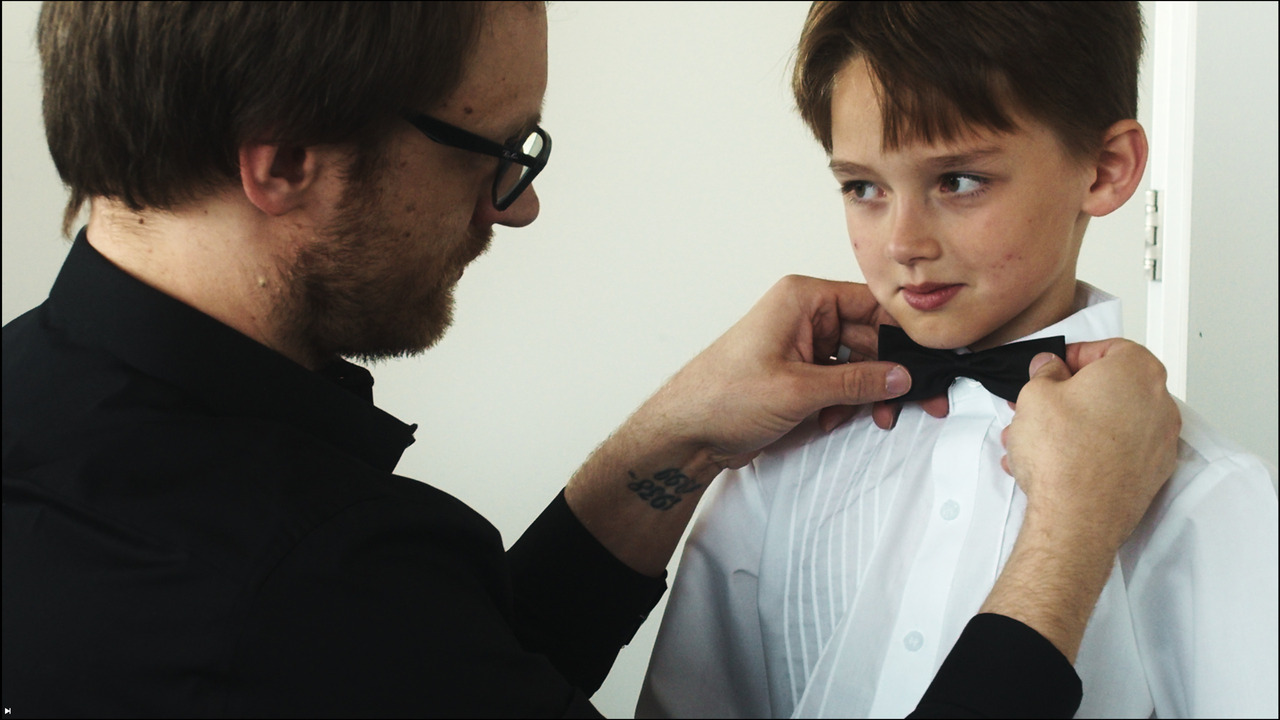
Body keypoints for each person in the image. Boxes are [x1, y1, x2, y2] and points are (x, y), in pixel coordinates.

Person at [3, 2, 1181, 717]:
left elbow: (441, 675)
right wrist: (1069, 540)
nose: (514, 206)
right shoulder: (292, 583)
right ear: (284, 163)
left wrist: (676, 439)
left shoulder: (47, 425)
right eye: (493, 151)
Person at [638, 2, 1279, 718]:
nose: (903, 243)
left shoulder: (1209, 498)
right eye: (863, 188)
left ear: (1105, 169)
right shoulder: (774, 463)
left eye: (959, 180)